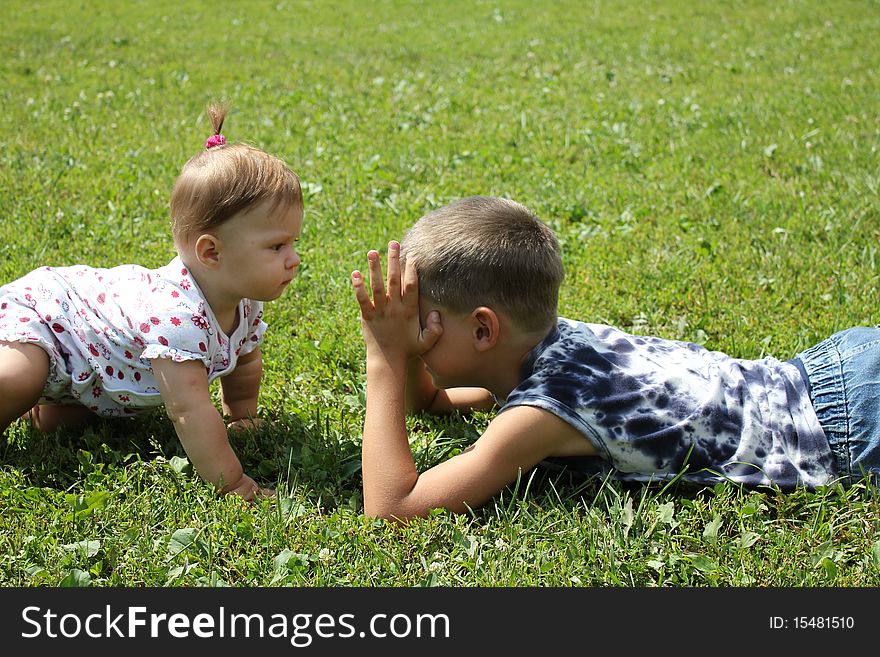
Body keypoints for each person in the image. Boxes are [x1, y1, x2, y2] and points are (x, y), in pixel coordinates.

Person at [351, 195, 879, 522]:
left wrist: (385, 359)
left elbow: (394, 508)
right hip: (829, 369)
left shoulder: (541, 416)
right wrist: (407, 352)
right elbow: (434, 401)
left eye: (422, 321)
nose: (413, 335)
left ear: (485, 328)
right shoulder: (557, 345)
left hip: (848, 429)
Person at [0, 103, 303, 501]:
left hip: (91, 364)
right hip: (53, 318)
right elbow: (189, 411)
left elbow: (244, 360)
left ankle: (49, 402)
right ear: (212, 253)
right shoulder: (178, 317)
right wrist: (233, 484)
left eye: (293, 243)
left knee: (64, 425)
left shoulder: (244, 300)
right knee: (18, 378)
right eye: (277, 246)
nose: (293, 258)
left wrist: (242, 414)